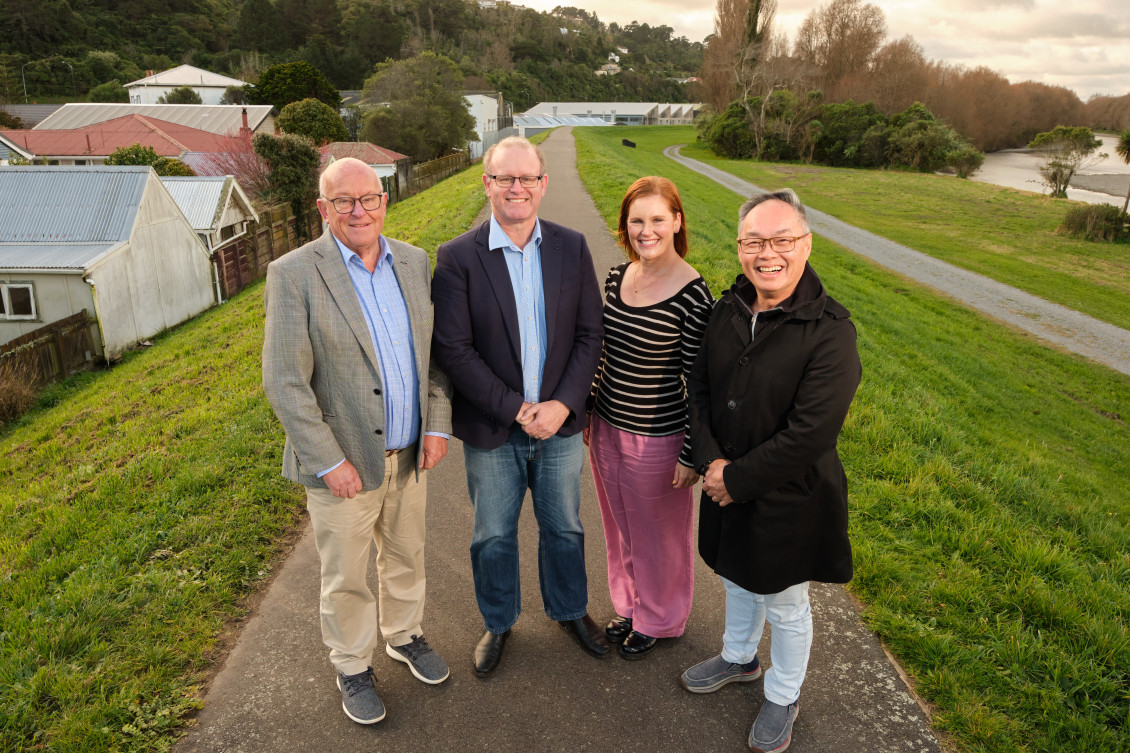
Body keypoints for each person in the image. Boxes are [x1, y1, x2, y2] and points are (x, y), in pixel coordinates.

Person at [262, 157, 453, 726]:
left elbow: (435, 360)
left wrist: (436, 425)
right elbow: (285, 381)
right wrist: (327, 461)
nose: (358, 210)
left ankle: (404, 634)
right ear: (323, 209)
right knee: (345, 574)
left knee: (406, 553)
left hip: (408, 453)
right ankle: (351, 664)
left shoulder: (415, 263)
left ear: (385, 201)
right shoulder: (294, 273)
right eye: (342, 201)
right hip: (341, 466)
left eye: (368, 198)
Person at [682, 189, 861, 753]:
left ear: (806, 244)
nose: (768, 253)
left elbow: (812, 432)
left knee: (785, 602)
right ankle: (739, 658)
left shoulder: (831, 329)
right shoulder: (725, 310)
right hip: (724, 476)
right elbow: (702, 391)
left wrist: (734, 480)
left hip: (789, 494)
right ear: (739, 247)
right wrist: (712, 462)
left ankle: (784, 693)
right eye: (754, 241)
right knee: (737, 574)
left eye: (782, 239)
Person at [431, 135, 606, 677]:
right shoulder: (458, 257)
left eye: (527, 177)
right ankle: (498, 620)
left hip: (558, 426)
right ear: (487, 184)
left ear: (543, 184)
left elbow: (589, 334)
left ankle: (570, 610)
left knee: (565, 528)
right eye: (504, 177)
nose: (516, 187)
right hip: (493, 428)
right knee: (491, 534)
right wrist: (516, 410)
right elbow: (453, 350)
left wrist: (562, 406)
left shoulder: (571, 247)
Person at [586, 176, 713, 659]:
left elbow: (699, 385)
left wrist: (692, 454)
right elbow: (605, 354)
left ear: (677, 222)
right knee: (619, 526)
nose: (647, 230)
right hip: (608, 427)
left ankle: (661, 618)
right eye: (637, 220)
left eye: (658, 219)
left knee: (658, 535)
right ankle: (631, 605)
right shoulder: (617, 277)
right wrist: (590, 410)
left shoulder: (694, 295)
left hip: (660, 437)